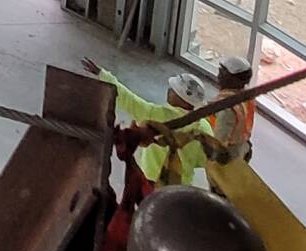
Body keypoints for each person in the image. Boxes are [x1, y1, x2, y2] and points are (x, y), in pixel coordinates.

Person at [83, 53, 256, 186]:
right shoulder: (203, 126)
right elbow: (205, 159)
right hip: (181, 186)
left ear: (182, 98)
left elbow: (128, 100)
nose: (169, 92)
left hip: (151, 180)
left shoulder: (156, 115)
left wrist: (102, 74)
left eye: (172, 90)